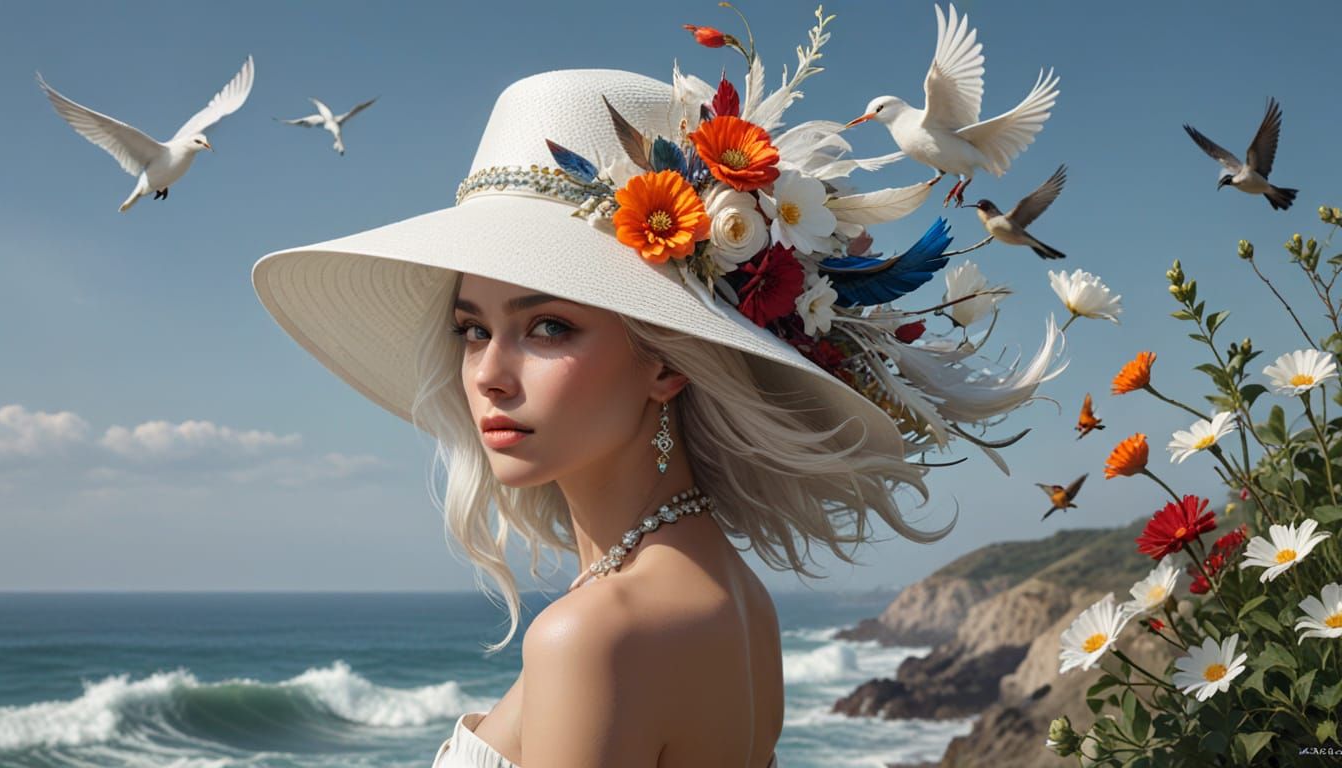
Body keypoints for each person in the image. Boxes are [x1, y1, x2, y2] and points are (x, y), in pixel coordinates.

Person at [251, 63, 1062, 767]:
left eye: (547, 327)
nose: (489, 376)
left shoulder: (597, 635)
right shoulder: (739, 599)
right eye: (472, 330)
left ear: (668, 360)